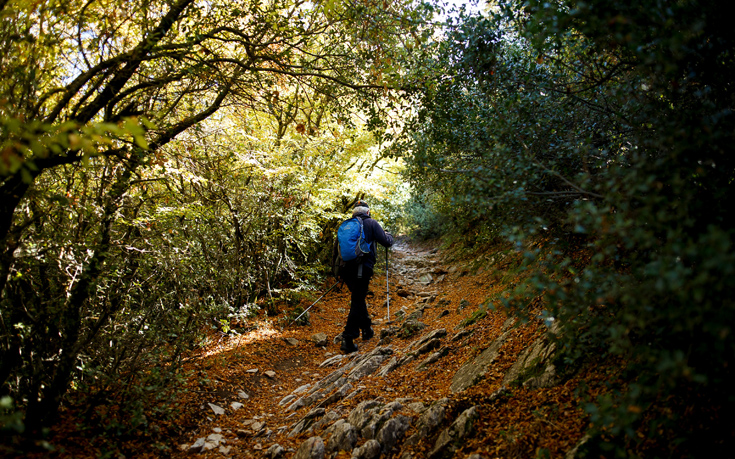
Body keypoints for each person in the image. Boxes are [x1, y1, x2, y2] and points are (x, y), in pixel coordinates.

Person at [339, 200, 394, 353]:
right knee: (357, 301)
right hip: (362, 269)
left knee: (358, 299)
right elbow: (386, 242)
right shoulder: (371, 223)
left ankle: (367, 329)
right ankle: (347, 338)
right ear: (367, 212)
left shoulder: (346, 225)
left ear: (354, 212)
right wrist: (389, 235)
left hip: (347, 270)